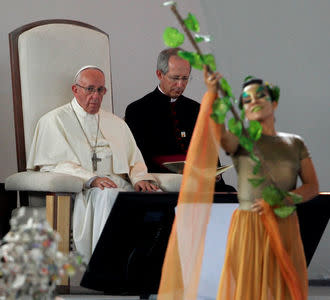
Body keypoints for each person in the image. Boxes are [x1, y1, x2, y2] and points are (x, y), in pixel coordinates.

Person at [204, 71, 319, 299]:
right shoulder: (241, 139)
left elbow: (312, 186)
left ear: (274, 102)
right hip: (249, 226)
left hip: (284, 224)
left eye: (260, 96)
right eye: (246, 101)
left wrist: (284, 199)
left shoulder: (294, 143)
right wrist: (212, 93)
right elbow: (218, 133)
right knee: (248, 289)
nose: (253, 101)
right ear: (244, 111)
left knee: (282, 289)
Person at [27, 65, 159, 261]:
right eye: (90, 89)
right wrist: (91, 179)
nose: (96, 96)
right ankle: (107, 267)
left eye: (100, 90)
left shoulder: (116, 123)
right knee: (109, 194)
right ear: (75, 90)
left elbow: (134, 161)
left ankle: (146, 269)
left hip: (118, 184)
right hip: (81, 190)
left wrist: (140, 178)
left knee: (155, 197)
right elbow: (53, 165)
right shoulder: (54, 121)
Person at [125, 48, 232, 191]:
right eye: (175, 78)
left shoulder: (196, 109)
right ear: (159, 74)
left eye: (185, 78)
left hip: (199, 180)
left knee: (231, 193)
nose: (180, 85)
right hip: (161, 181)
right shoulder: (138, 110)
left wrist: (214, 172)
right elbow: (137, 157)